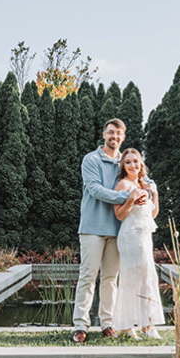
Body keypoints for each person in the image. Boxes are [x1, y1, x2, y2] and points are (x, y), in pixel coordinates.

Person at [74, 119, 150, 343]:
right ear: (104, 134)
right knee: (88, 276)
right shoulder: (91, 159)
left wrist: (149, 189)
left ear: (123, 137)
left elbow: (142, 178)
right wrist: (128, 196)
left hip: (118, 229)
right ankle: (80, 325)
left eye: (118, 134)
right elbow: (96, 189)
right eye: (110, 133)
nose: (114, 137)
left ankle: (107, 324)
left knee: (110, 279)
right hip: (92, 228)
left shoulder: (125, 161)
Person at [111, 148, 164, 337]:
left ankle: (145, 324)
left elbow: (152, 214)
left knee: (147, 277)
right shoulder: (122, 185)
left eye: (136, 161)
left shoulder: (144, 184)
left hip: (145, 236)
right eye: (128, 162)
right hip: (131, 236)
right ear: (123, 166)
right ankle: (130, 325)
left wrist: (155, 194)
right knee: (133, 279)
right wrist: (131, 199)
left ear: (141, 163)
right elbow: (119, 215)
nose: (133, 165)